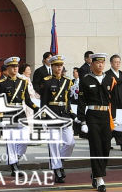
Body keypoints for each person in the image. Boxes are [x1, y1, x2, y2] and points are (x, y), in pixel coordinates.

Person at [78, 53, 114, 192]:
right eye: (97, 63)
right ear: (92, 64)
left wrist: (114, 118)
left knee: (106, 147)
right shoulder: (86, 80)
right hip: (92, 115)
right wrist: (82, 121)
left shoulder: (109, 79)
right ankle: (99, 179)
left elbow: (113, 100)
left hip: (105, 115)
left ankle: (96, 171)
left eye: (102, 63)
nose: (100, 65)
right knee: (96, 147)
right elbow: (81, 102)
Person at [37, 55, 76, 183]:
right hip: (51, 115)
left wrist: (71, 113)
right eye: (56, 65)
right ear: (52, 67)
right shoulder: (47, 81)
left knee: (70, 142)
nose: (59, 68)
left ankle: (58, 161)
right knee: (53, 145)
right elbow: (44, 102)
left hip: (64, 115)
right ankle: (57, 169)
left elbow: (68, 101)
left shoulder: (68, 81)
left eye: (60, 65)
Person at [0, 57, 31, 172]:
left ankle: (16, 157)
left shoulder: (23, 82)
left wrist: (37, 109)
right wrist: (1, 117)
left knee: (25, 139)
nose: (15, 68)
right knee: (11, 142)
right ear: (8, 68)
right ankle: (14, 166)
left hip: (21, 114)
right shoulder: (2, 84)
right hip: (9, 114)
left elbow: (27, 100)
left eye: (16, 66)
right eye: (13, 67)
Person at [106, 54, 122, 151]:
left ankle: (109, 142)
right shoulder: (107, 75)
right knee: (112, 123)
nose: (117, 64)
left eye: (119, 62)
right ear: (111, 63)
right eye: (115, 62)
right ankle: (121, 143)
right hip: (112, 104)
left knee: (121, 124)